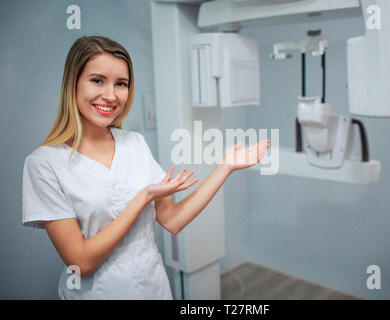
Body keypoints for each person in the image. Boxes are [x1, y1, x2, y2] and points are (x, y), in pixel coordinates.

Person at [21, 36, 270, 300]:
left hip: (152, 287)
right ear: (73, 83)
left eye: (121, 84)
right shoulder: (45, 164)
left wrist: (224, 168)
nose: (110, 94)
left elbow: (172, 220)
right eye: (97, 80)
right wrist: (143, 198)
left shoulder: (134, 144)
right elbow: (81, 263)